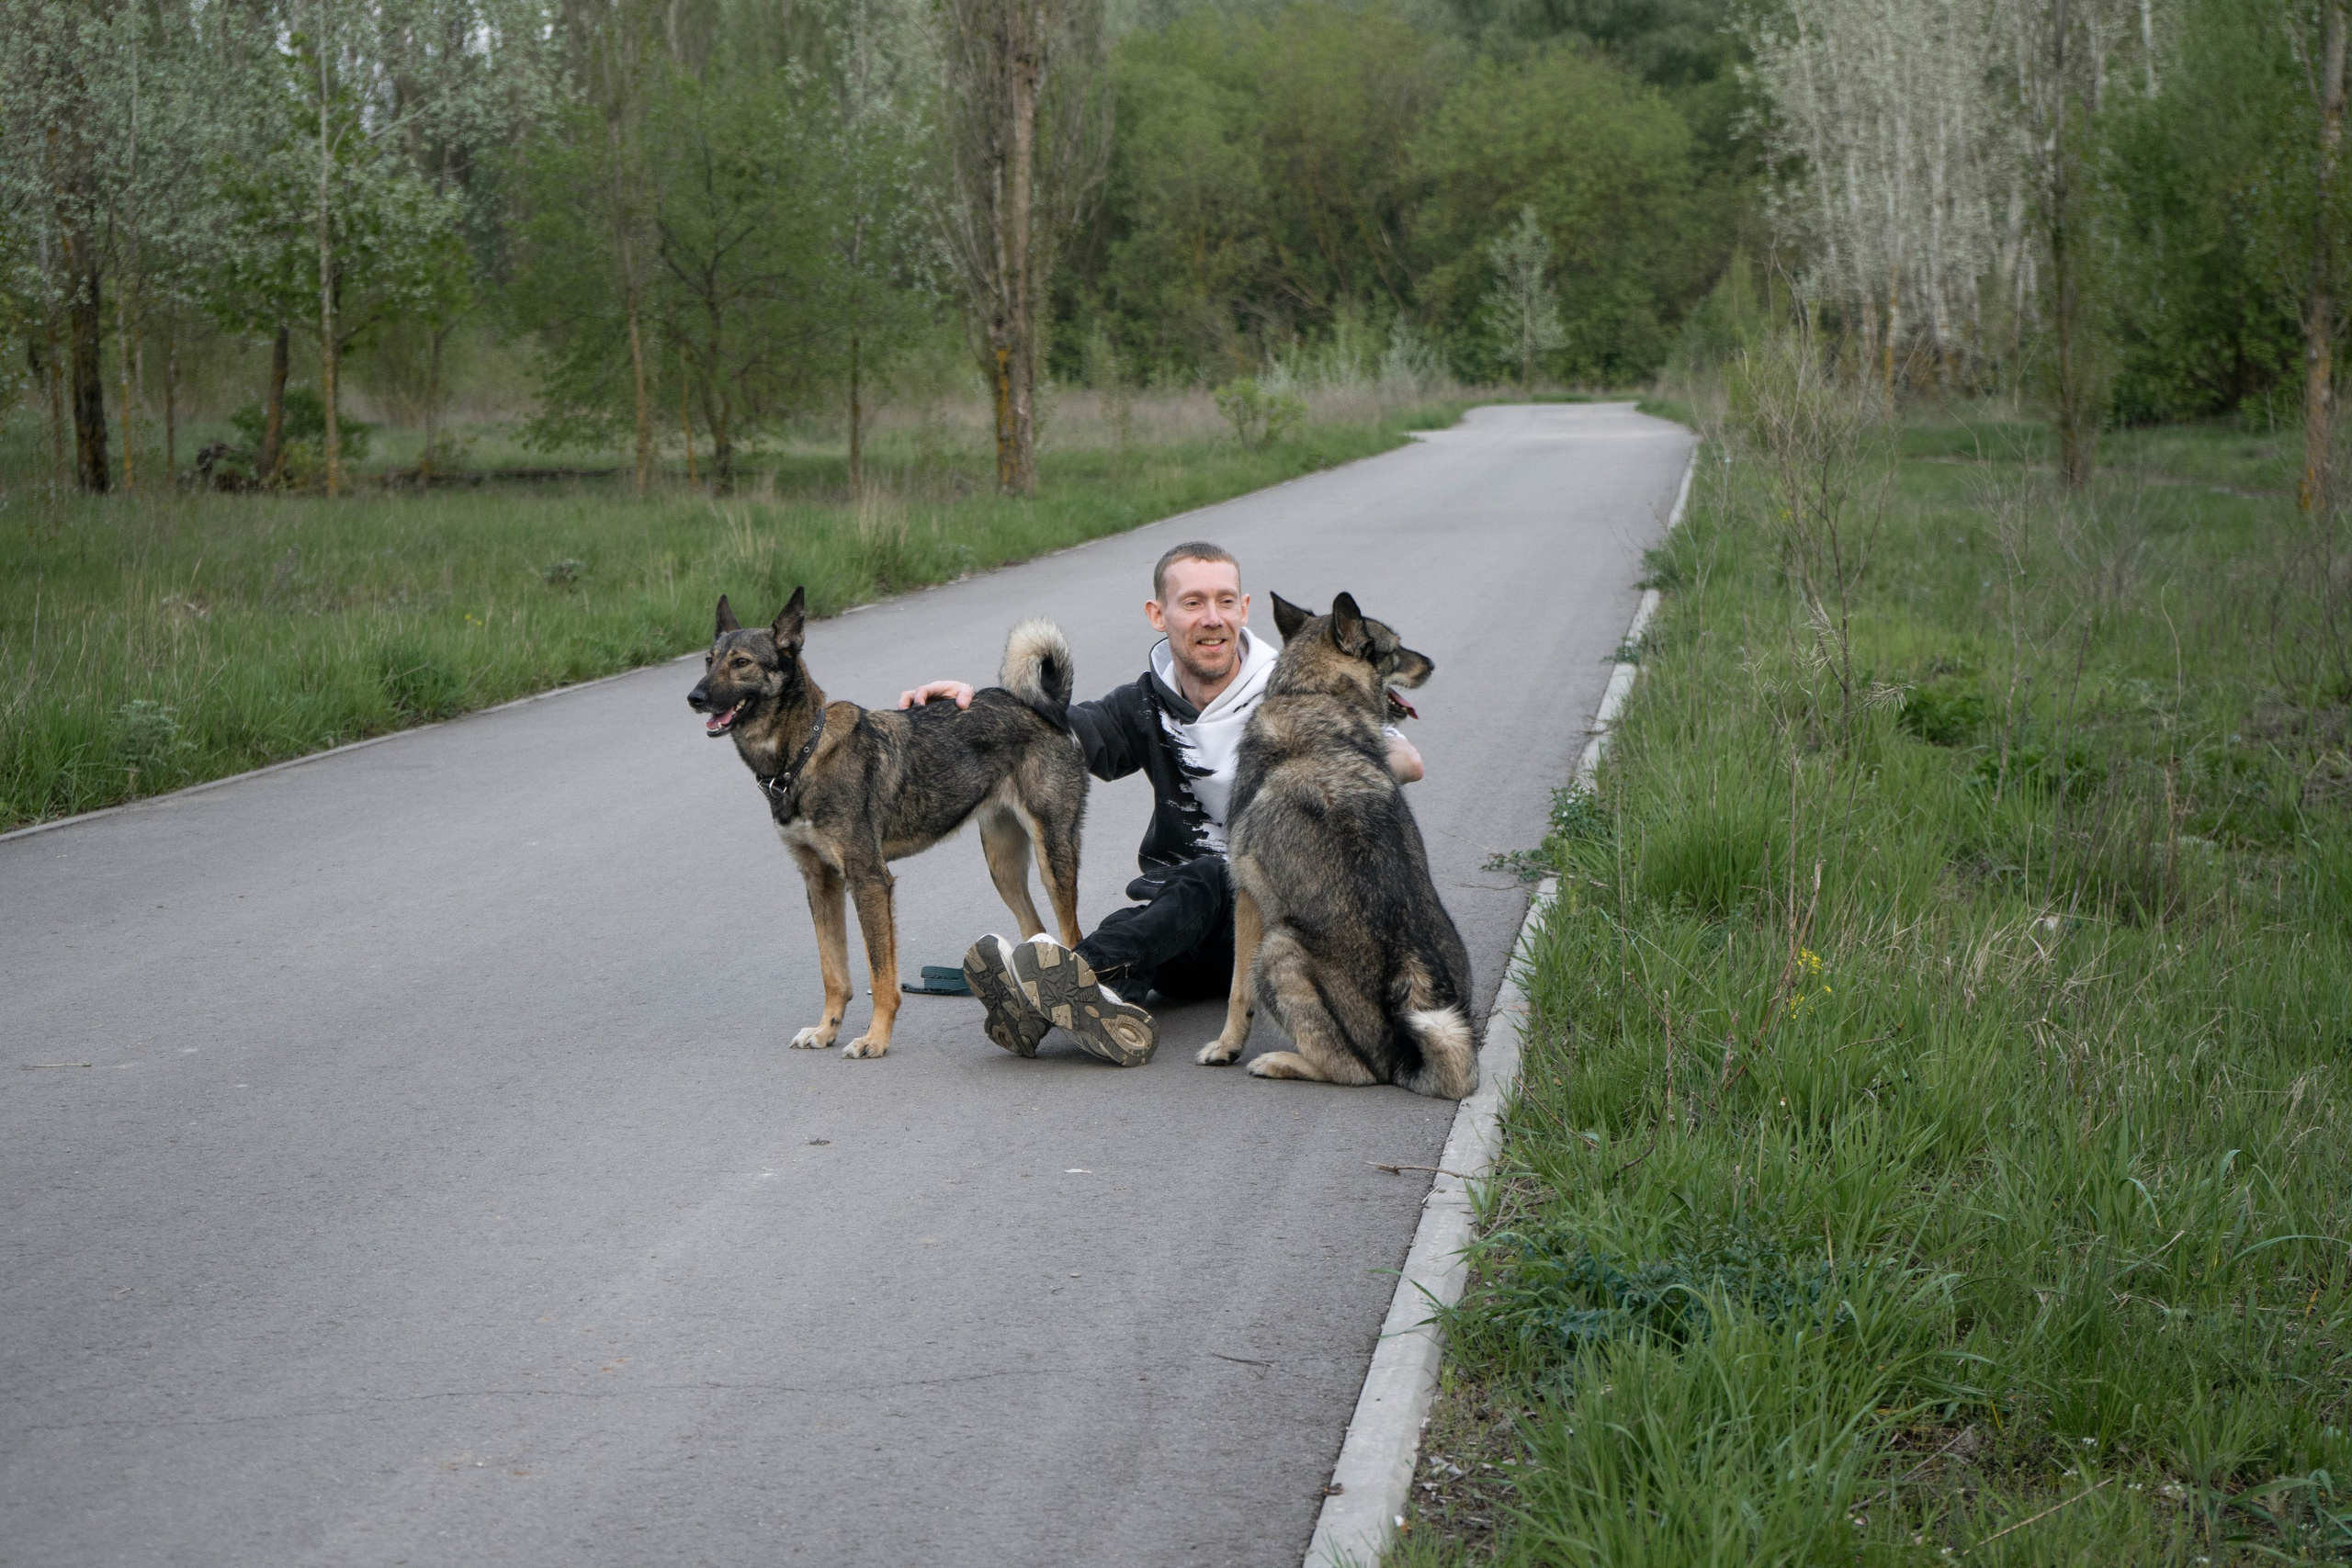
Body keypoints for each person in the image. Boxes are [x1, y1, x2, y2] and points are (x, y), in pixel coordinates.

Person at [896, 541, 1424, 1066]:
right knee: (1140, 931)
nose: (1212, 619)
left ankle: (1060, 979)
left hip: (1278, 928)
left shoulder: (1290, 688)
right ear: (1158, 614)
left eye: (1224, 601)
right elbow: (1048, 739)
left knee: (1218, 874)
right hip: (1179, 932)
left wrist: (1302, 773)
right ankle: (1065, 1003)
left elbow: (1405, 759)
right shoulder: (1145, 702)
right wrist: (978, 709)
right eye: (1193, 603)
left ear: (1244, 611)